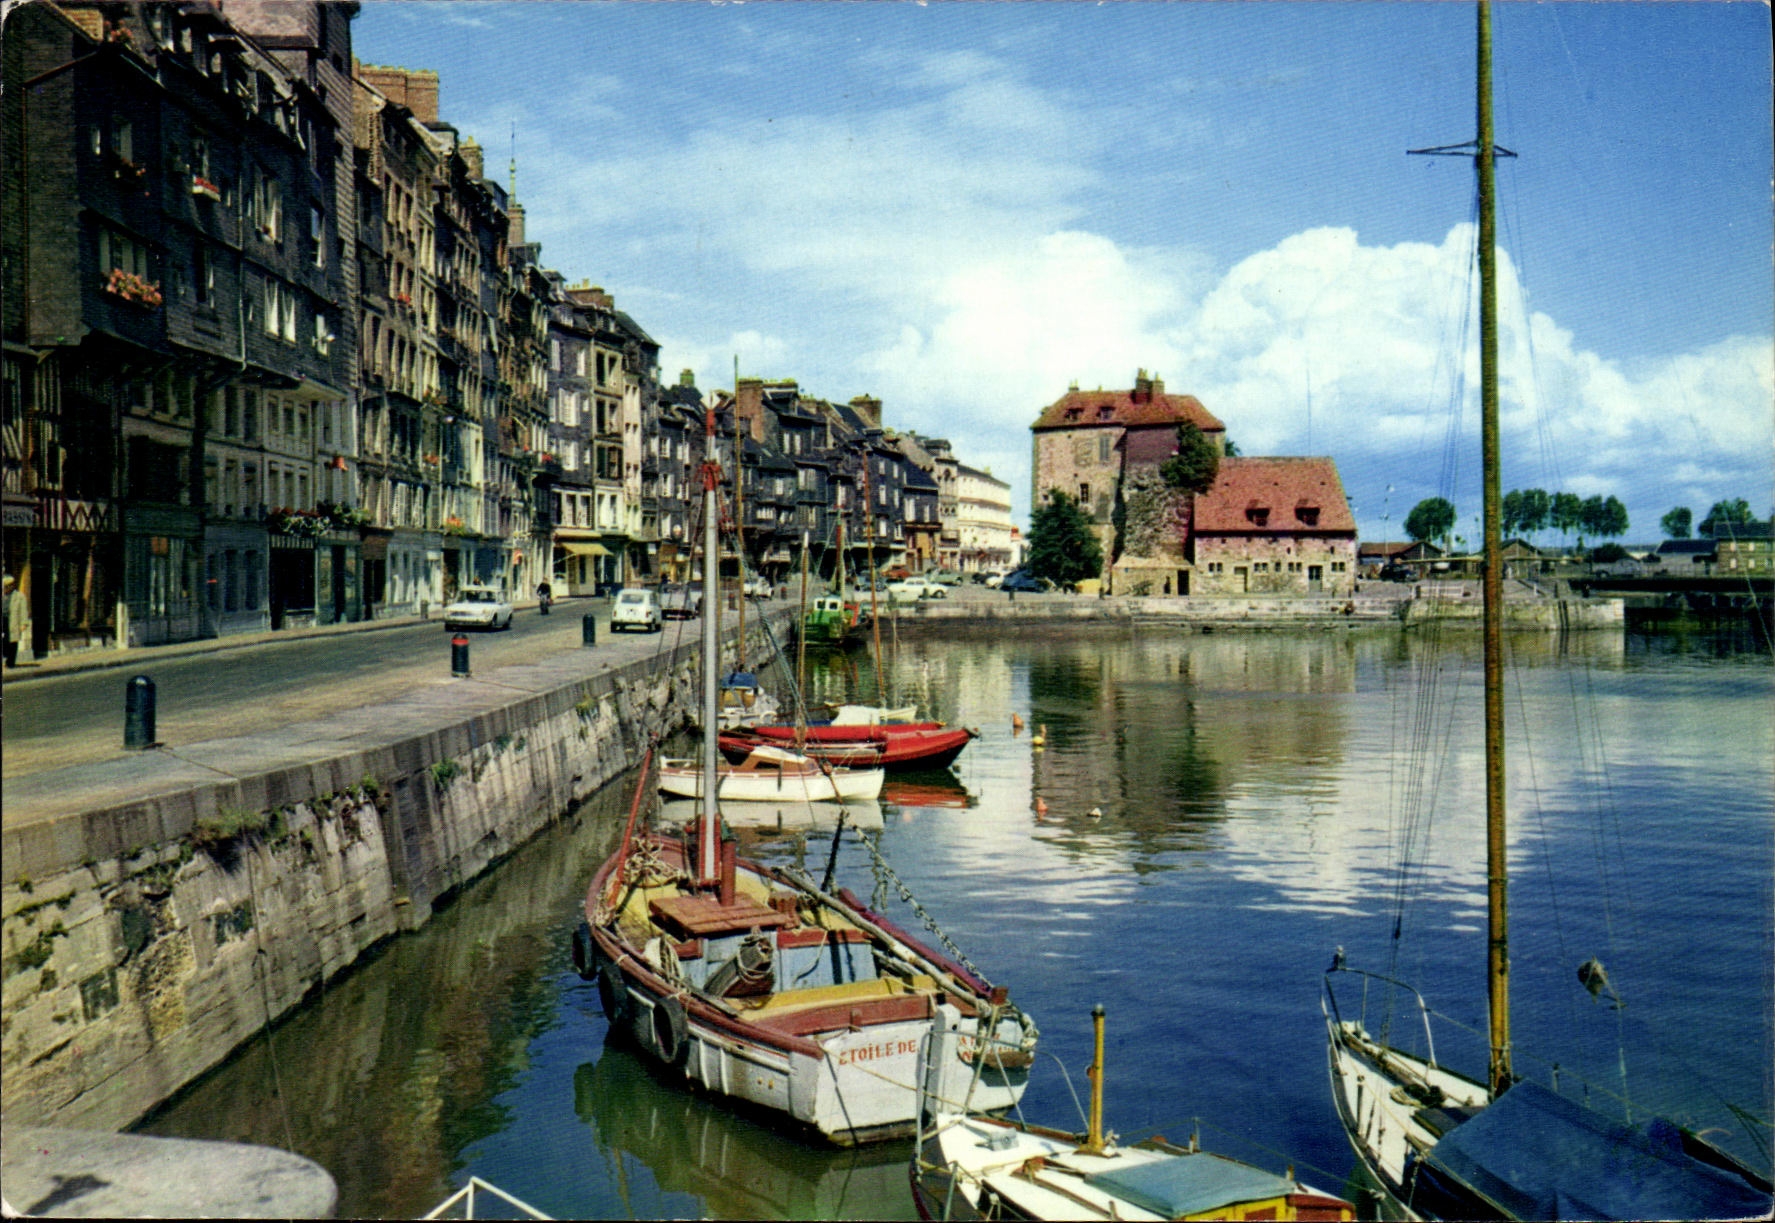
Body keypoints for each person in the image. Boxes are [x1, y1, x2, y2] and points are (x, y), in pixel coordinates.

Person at [3, 573, 22, 667]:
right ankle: (6, 656)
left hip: (13, 621)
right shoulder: (3, 596)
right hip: (4, 620)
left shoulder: (18, 596)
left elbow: (23, 611)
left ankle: (11, 662)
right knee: (5, 641)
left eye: (9, 586)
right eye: (5, 586)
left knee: (13, 642)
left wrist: (24, 623)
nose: (7, 588)